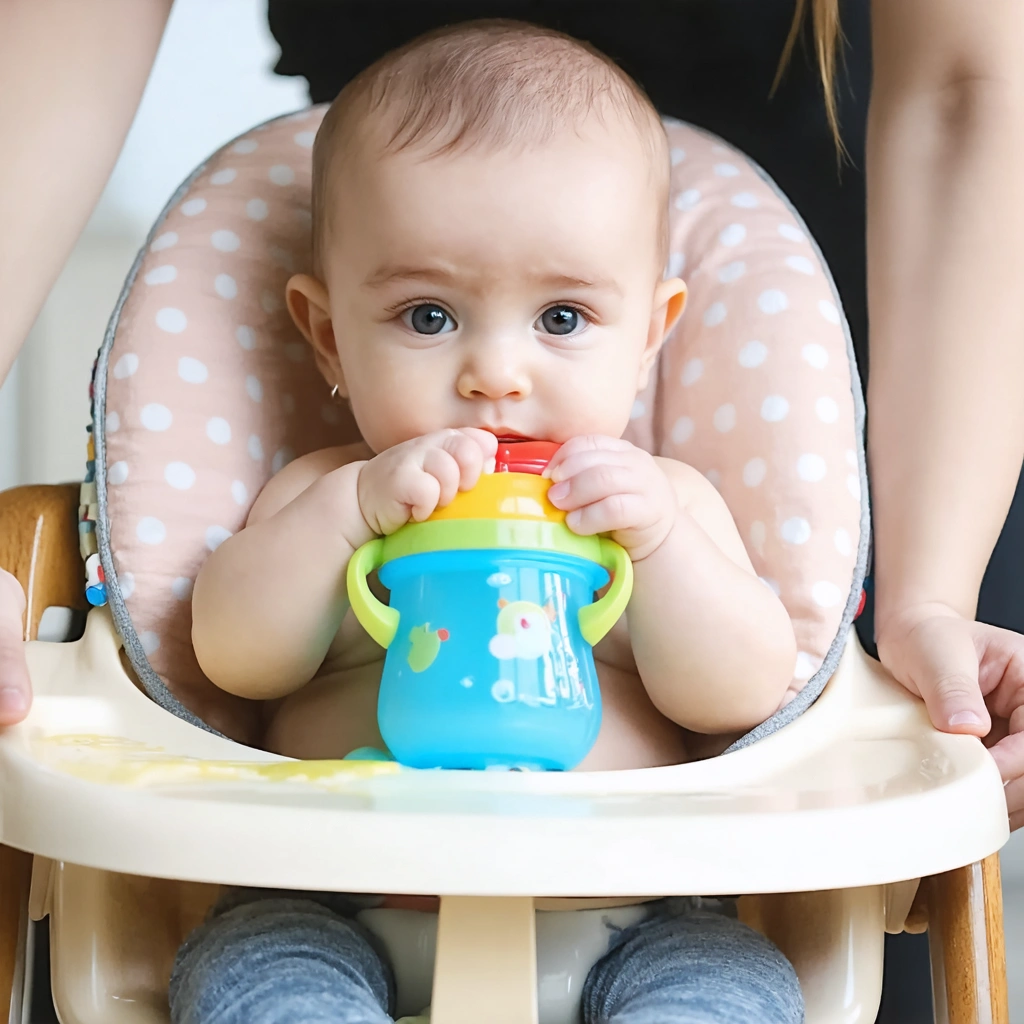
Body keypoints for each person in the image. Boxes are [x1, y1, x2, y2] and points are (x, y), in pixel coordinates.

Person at [169, 24, 804, 1022]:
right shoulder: (326, 491)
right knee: (249, 973)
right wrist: (349, 515)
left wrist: (660, 547)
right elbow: (234, 658)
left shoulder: (662, 502)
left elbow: (741, 693)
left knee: (732, 984)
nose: (494, 373)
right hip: (336, 901)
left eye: (561, 318)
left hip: (626, 910)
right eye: (428, 315)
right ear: (328, 336)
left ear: (648, 336)